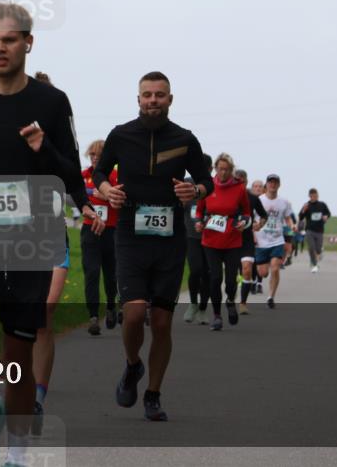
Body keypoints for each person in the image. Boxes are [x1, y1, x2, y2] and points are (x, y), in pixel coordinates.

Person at [0, 3, 100, 467]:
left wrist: (43, 149)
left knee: (16, 356)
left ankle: (16, 452)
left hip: (30, 244)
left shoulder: (51, 103)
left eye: (8, 40)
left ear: (29, 42)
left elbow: (71, 169)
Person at [93, 71, 213, 422]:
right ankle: (133, 365)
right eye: (147, 94)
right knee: (132, 314)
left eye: (160, 95)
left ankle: (153, 394)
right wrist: (105, 191)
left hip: (170, 237)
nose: (153, 100)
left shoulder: (185, 139)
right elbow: (100, 172)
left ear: (170, 100)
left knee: (161, 323)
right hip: (130, 232)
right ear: (138, 99)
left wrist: (197, 191)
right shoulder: (121, 134)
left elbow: (205, 179)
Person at [28, 71, 105, 437]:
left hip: (50, 236)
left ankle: (37, 399)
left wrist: (86, 205)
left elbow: (73, 173)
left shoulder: (58, 141)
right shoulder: (8, 133)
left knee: (44, 315)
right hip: (9, 240)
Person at [194, 153, 250, 331]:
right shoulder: (208, 186)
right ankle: (217, 315)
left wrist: (244, 222)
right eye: (220, 169)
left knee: (231, 280)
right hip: (210, 239)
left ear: (231, 170)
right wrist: (199, 222)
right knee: (215, 277)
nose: (223, 173)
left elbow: (247, 212)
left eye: (226, 170)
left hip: (232, 238)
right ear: (215, 169)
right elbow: (199, 211)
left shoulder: (239, 188)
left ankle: (230, 301)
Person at [82, 140, 119, 335]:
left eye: (99, 155)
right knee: (92, 272)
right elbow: (75, 196)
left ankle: (112, 306)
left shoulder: (115, 176)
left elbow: (125, 201)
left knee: (111, 274)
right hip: (90, 231)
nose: (95, 158)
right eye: (92, 155)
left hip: (111, 231)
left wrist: (107, 197)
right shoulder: (84, 176)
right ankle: (93, 316)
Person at [255, 174, 295, 309]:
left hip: (277, 240)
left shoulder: (284, 202)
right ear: (266, 184)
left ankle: (271, 297)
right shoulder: (258, 200)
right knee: (263, 273)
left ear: (279, 185)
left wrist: (292, 225)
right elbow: (251, 217)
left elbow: (288, 218)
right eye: (270, 182)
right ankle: (260, 277)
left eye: (275, 182)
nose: (273, 185)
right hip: (261, 241)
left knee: (275, 268)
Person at [181, 155, 213, 325]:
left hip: (211, 238)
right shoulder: (186, 183)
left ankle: (202, 309)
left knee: (208, 273)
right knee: (196, 270)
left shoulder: (213, 186)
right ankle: (193, 303)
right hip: (191, 236)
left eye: (207, 169)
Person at [234, 169, 267, 314]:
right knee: (231, 276)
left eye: (242, 181)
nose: (240, 184)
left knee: (247, 270)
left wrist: (259, 225)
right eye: (237, 181)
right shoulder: (226, 197)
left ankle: (242, 303)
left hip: (246, 240)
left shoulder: (253, 198)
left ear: (246, 182)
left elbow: (263, 215)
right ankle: (230, 299)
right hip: (229, 240)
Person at [299, 188, 332, 273]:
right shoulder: (306, 205)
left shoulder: (322, 204)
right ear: (309, 196)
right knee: (311, 248)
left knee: (318, 249)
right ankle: (314, 264)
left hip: (320, 230)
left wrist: (326, 217)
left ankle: (319, 253)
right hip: (309, 230)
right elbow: (300, 217)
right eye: (313, 196)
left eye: (316, 196)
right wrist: (304, 211)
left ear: (318, 195)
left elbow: (328, 213)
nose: (314, 197)